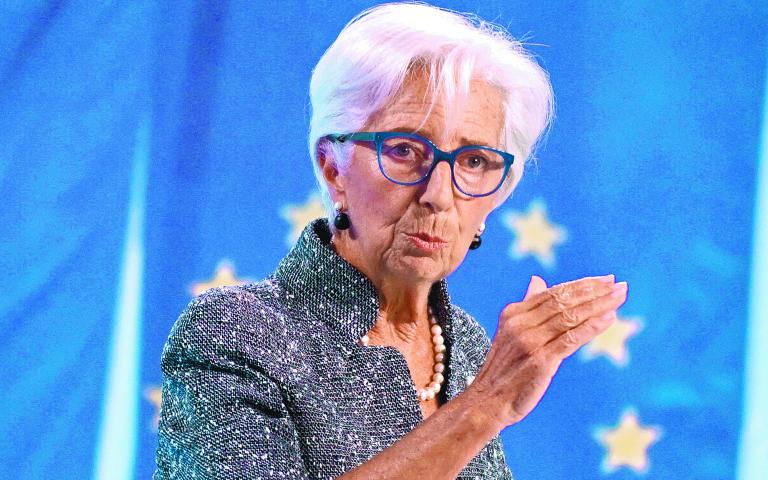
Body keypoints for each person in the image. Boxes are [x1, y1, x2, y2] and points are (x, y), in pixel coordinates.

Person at [154, 3, 628, 479]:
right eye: (404, 151)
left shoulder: (462, 344)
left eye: (474, 161)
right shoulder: (236, 334)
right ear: (333, 169)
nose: (439, 195)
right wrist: (485, 405)